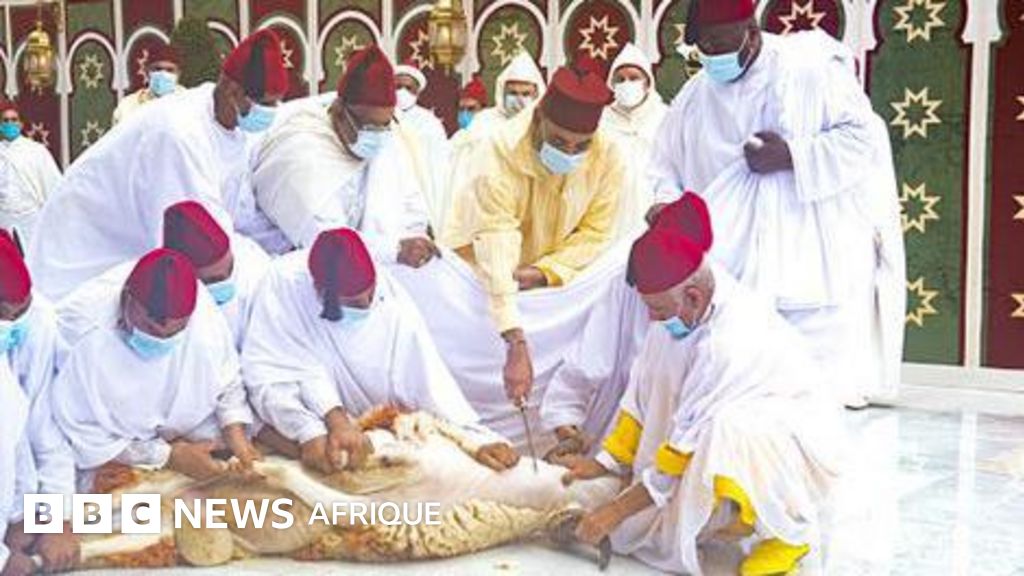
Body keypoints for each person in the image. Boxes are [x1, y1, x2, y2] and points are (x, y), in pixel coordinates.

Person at [646, 0, 905, 407]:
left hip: (807, 256)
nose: (711, 56)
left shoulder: (809, 70)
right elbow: (663, 164)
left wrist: (791, 156)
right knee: (738, 390)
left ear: (751, 31)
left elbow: (862, 141)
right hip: (729, 260)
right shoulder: (696, 95)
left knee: (814, 397)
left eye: (718, 44)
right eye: (704, 48)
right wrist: (664, 203)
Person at [561, 226, 844, 576]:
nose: (652, 318)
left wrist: (615, 511)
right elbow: (644, 395)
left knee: (726, 429)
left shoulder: (725, 343)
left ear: (694, 297)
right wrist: (605, 462)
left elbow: (682, 451)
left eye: (657, 309)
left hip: (791, 438)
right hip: (727, 427)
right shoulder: (678, 313)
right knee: (684, 475)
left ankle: (786, 533)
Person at [29, 29, 288, 300]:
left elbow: (241, 213)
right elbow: (201, 238)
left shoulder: (234, 128)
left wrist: (286, 246)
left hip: (130, 250)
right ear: (233, 91)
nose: (270, 112)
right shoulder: (179, 133)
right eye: (266, 104)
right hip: (83, 260)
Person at [243, 228, 519, 474]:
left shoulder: (389, 295)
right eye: (354, 303)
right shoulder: (284, 284)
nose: (366, 305)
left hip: (382, 430)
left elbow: (427, 377)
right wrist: (311, 430)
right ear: (319, 291)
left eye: (370, 293)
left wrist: (476, 440)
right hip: (310, 432)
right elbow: (271, 373)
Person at [443, 62, 623, 413]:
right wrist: (516, 341)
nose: (569, 153)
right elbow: (496, 243)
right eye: (559, 141)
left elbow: (596, 233)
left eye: (580, 146)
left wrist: (545, 272)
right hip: (485, 277)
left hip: (551, 281)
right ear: (538, 118)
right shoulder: (496, 151)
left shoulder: (607, 154)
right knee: (474, 387)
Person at [52, 249, 259, 484]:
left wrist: (235, 432)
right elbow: (81, 430)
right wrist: (167, 457)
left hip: (187, 425)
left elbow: (227, 376)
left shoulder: (199, 306)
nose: (162, 340)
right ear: (127, 299)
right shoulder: (83, 333)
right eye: (151, 329)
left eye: (175, 332)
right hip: (116, 445)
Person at [250, 46, 437, 266]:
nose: (377, 135)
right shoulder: (300, 151)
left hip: (369, 264)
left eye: (384, 125)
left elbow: (411, 202)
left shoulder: (385, 136)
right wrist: (395, 250)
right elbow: (329, 242)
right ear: (339, 112)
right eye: (369, 127)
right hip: (299, 268)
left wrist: (416, 237)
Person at [0, 231, 78, 575]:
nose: (13, 325)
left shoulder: (36, 320)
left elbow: (40, 427)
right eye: (3, 315)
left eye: (21, 311)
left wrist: (46, 518)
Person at [162, 201, 269, 350]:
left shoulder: (253, 260)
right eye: (214, 280)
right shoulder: (171, 310)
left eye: (230, 269)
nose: (227, 283)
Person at [600, 43, 668, 240]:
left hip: (654, 208)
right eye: (620, 79)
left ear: (647, 83)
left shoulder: (665, 117)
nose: (627, 83)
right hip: (611, 214)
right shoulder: (601, 120)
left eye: (634, 78)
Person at [394, 63, 452, 234]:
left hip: (420, 190)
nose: (402, 92)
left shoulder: (429, 123)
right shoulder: (380, 117)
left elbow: (439, 168)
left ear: (417, 92)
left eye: (408, 88)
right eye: (398, 87)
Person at [0, 102, 61, 251]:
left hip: (30, 214)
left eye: (13, 120)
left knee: (34, 255)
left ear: (21, 124)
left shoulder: (36, 151)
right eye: (5, 120)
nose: (10, 124)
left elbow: (52, 184)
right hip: (4, 215)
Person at [112, 43, 185, 125]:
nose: (163, 74)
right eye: (157, 69)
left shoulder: (189, 104)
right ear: (146, 71)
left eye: (170, 70)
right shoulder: (127, 106)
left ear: (178, 74)